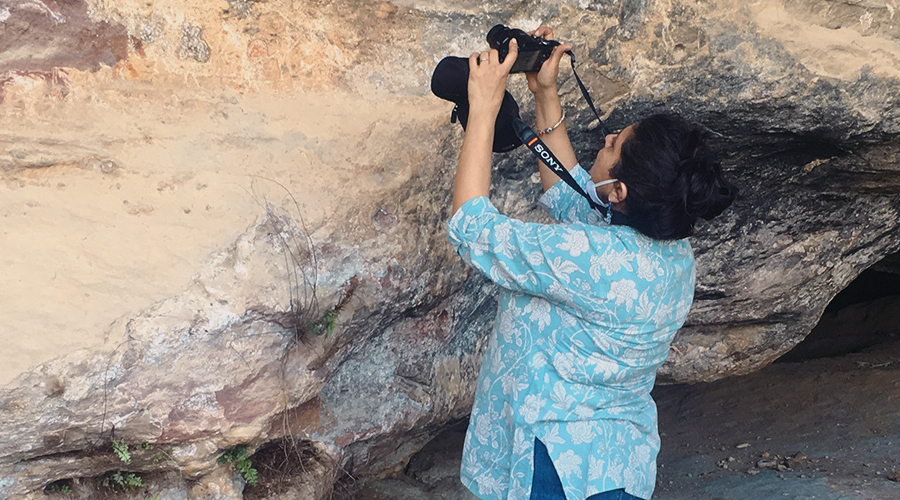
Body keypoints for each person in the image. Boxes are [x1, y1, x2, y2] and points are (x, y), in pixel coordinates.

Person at [445, 27, 738, 500]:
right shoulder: (670, 251)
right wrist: (544, 93)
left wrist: (483, 111)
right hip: (615, 466)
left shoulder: (590, 257)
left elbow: (472, 226)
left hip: (551, 466)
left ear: (620, 193)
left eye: (612, 145)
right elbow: (569, 192)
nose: (604, 139)